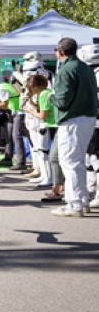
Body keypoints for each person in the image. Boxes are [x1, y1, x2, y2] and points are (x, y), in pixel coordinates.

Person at [49, 37, 98, 217]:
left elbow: (62, 101)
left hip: (73, 120)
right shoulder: (85, 68)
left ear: (60, 52)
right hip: (88, 118)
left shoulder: (66, 69)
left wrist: (50, 97)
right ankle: (81, 200)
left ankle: (75, 204)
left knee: (69, 162)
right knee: (78, 162)